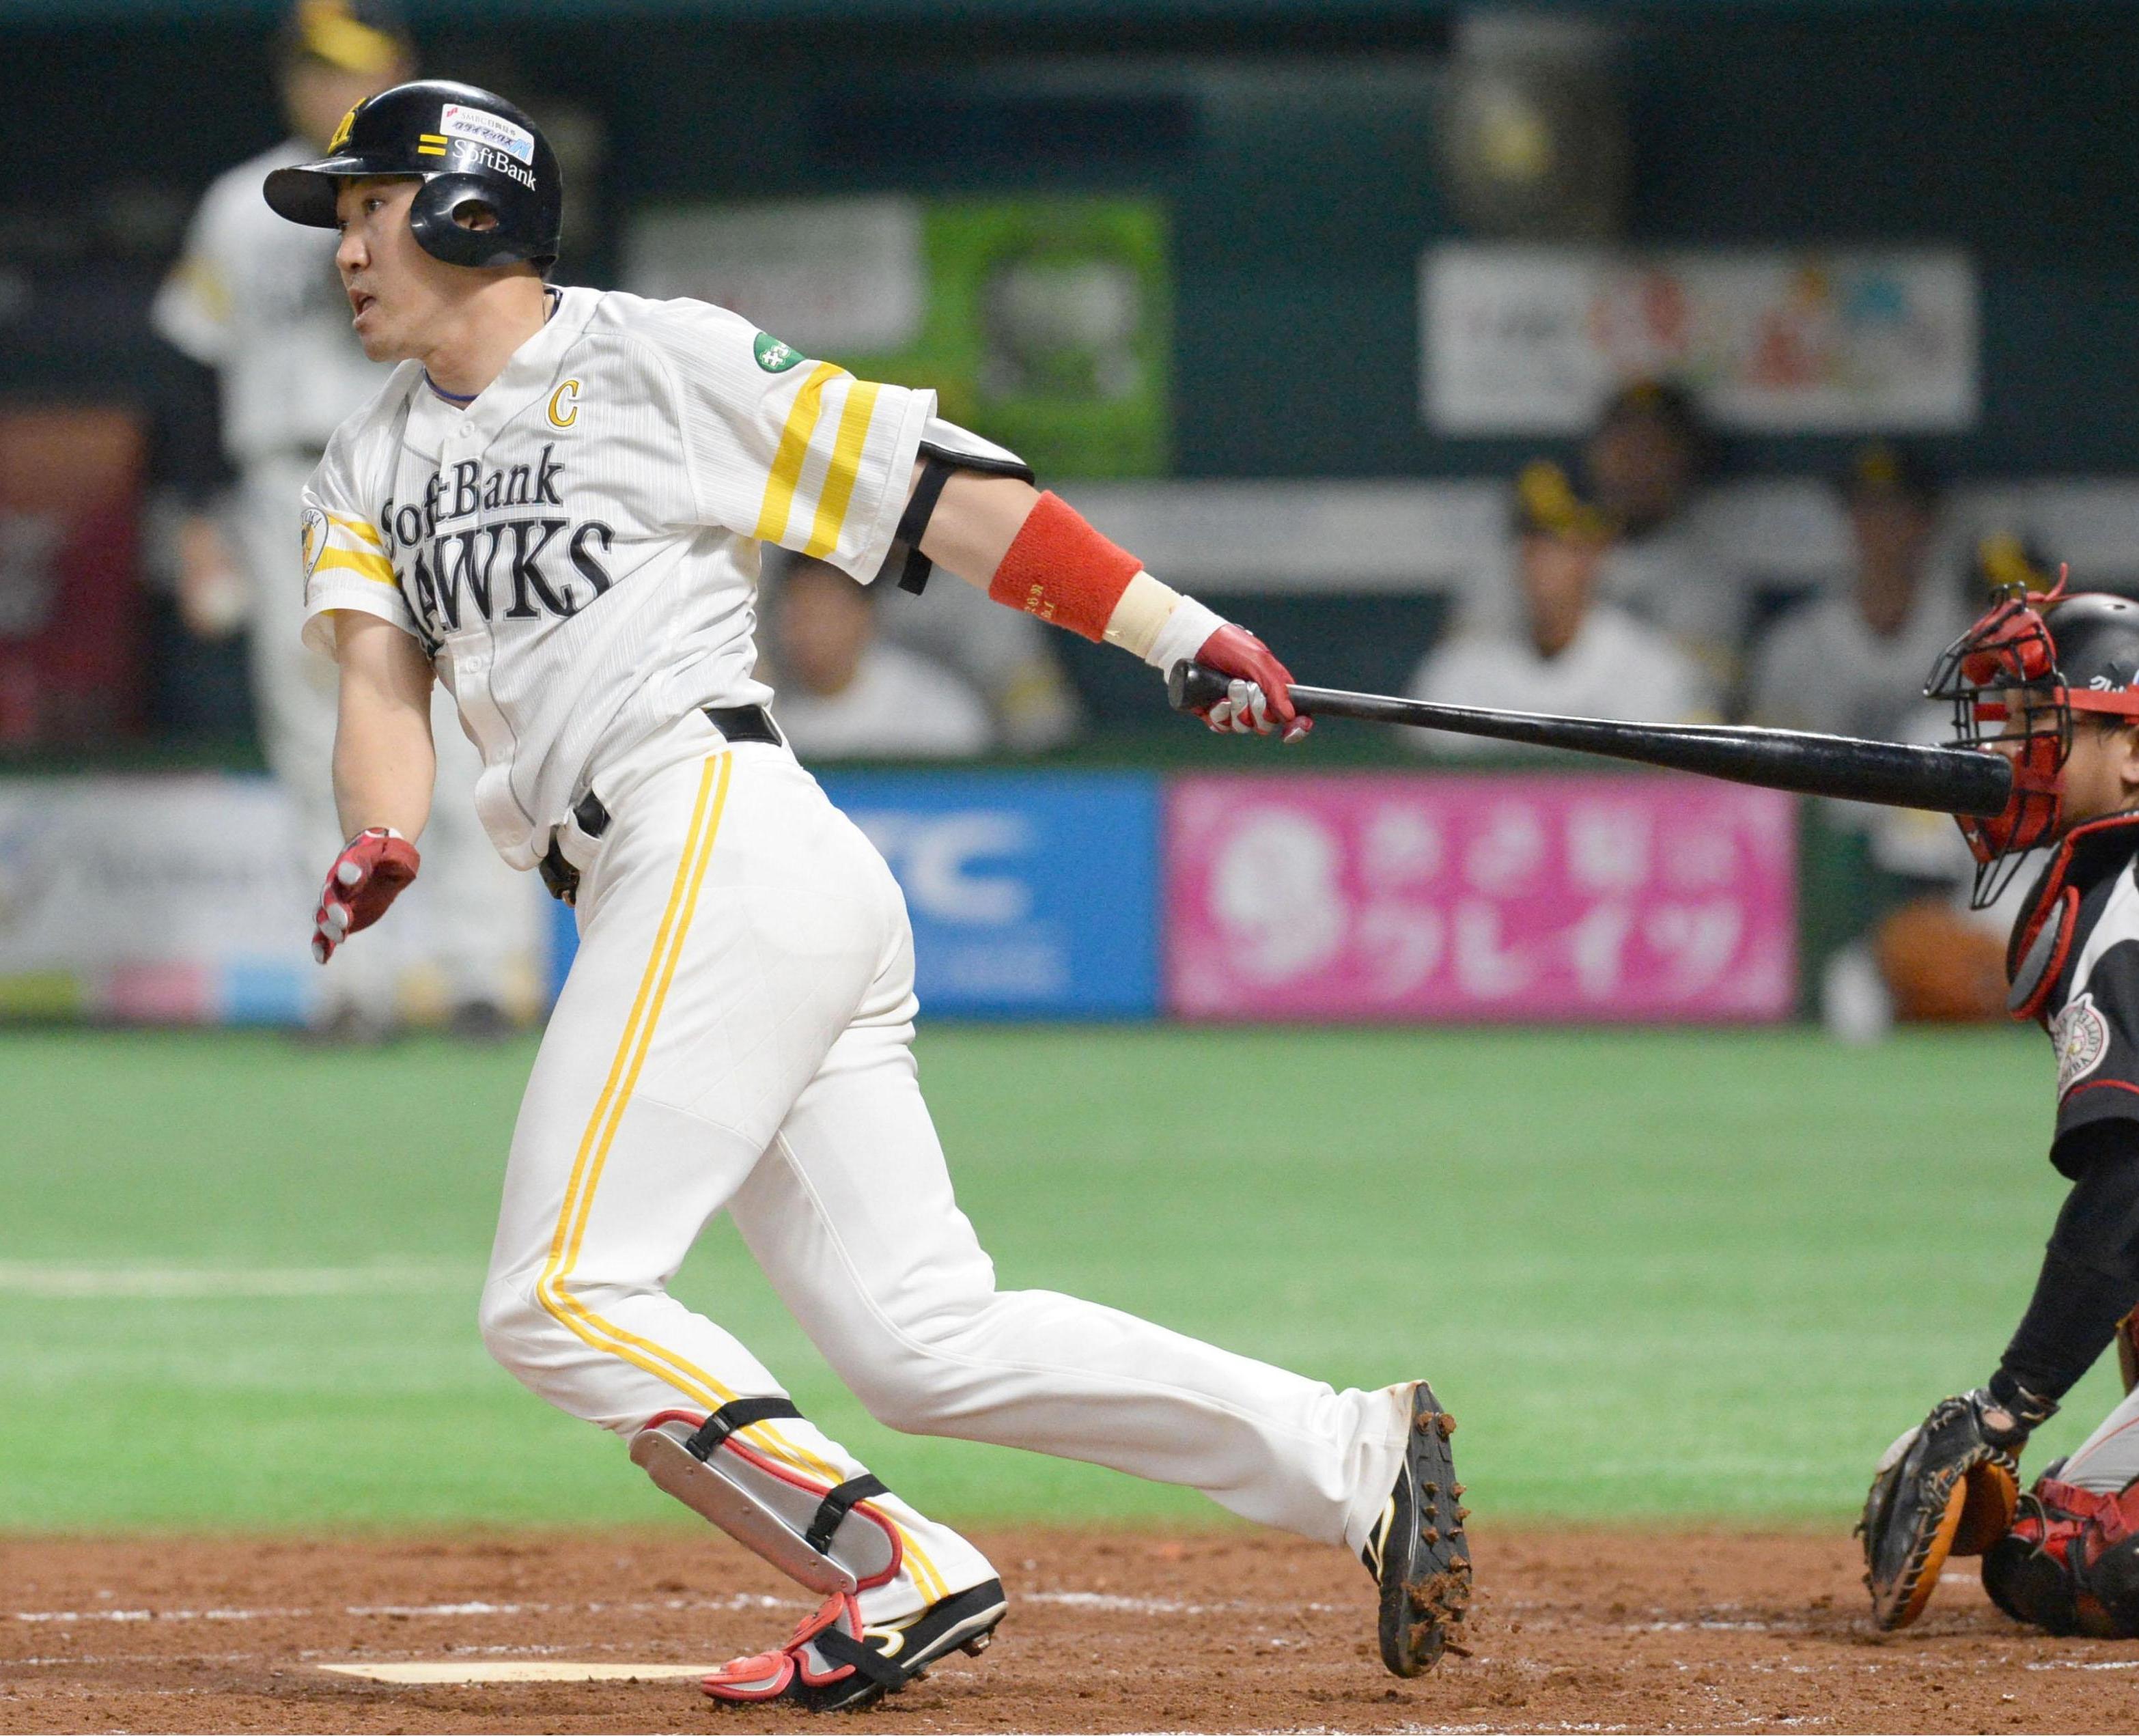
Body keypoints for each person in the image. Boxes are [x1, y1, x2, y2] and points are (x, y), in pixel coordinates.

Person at [264, 79, 1470, 1709]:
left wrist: (1174, 632)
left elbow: (937, 493)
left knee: (557, 1297)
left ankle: (893, 1565)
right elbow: (378, 686)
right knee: (920, 1338)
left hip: (715, 837)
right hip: (681, 883)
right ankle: (1349, 1453)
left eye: (368, 208)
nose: (342, 246)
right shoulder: (367, 455)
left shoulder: (650, 357)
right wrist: (378, 832)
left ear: (475, 208)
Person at [152, 1, 541, 1038]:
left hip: (424, 464)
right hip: (283, 477)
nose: (331, 88)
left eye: (355, 69)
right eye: (317, 70)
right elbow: (192, 370)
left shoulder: (445, 190)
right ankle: (351, 980)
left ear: (400, 67)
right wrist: (197, 518)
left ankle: (479, 968)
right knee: (312, 735)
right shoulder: (244, 204)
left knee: (466, 715)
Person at [1858, 582, 2139, 1636]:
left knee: (2065, 1560)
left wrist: (2007, 1404)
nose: (2009, 762)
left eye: (2043, 732)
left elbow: (2131, 1183)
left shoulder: (2128, 914)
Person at [1403, 460, 1713, 749]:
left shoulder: (1652, 671)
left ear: (1595, 555)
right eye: (1530, 544)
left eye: (1559, 546)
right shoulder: (1462, 669)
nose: (1540, 564)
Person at [1745, 443, 1964, 747]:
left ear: (1926, 520)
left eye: (1898, 509)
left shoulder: (1972, 633)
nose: (1882, 525)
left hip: (1933, 794)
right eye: (1868, 508)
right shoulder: (1795, 641)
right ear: (1849, 518)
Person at [766, 553, 993, 761]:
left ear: (864, 614)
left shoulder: (936, 710)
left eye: (823, 615)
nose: (810, 633)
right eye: (798, 616)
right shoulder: (766, 709)